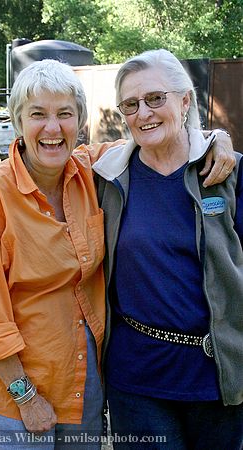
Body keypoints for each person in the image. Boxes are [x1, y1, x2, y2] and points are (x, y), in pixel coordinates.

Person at [0, 57, 234, 450]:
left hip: (80, 382)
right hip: (15, 390)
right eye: (38, 115)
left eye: (64, 114)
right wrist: (25, 395)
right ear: (18, 122)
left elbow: (156, 134)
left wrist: (215, 139)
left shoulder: (91, 170)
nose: (52, 129)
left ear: (79, 123)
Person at [92, 49, 243, 449]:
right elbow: (45, 158)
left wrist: (219, 138)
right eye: (131, 104)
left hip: (218, 379)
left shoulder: (229, 174)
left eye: (156, 98)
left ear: (185, 100)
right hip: (137, 380)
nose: (144, 113)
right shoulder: (107, 178)